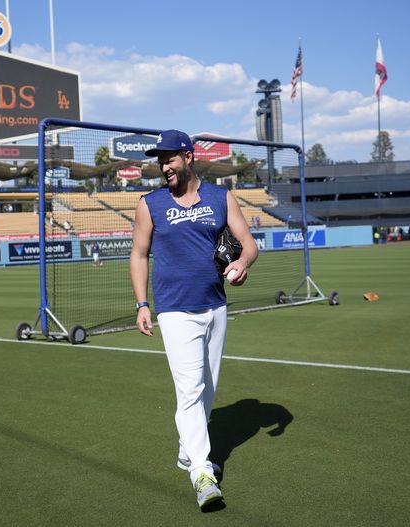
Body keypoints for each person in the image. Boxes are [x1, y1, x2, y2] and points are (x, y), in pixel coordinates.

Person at [130, 129, 259, 510]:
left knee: (208, 390)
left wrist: (241, 263)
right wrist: (142, 304)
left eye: (169, 158)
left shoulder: (221, 198)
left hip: (215, 306)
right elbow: (138, 255)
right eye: (159, 160)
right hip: (174, 310)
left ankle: (188, 450)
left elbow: (248, 245)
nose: (163, 166)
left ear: (188, 156)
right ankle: (202, 472)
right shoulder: (149, 204)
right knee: (189, 389)